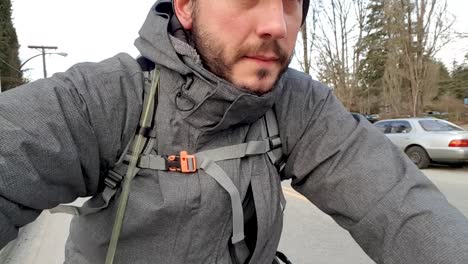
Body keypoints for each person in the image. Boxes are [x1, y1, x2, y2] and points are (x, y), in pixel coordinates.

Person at [0, 0, 467, 263]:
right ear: (185, 6)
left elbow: (400, 208)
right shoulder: (106, 98)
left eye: (291, 4)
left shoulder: (299, 103)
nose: (275, 25)